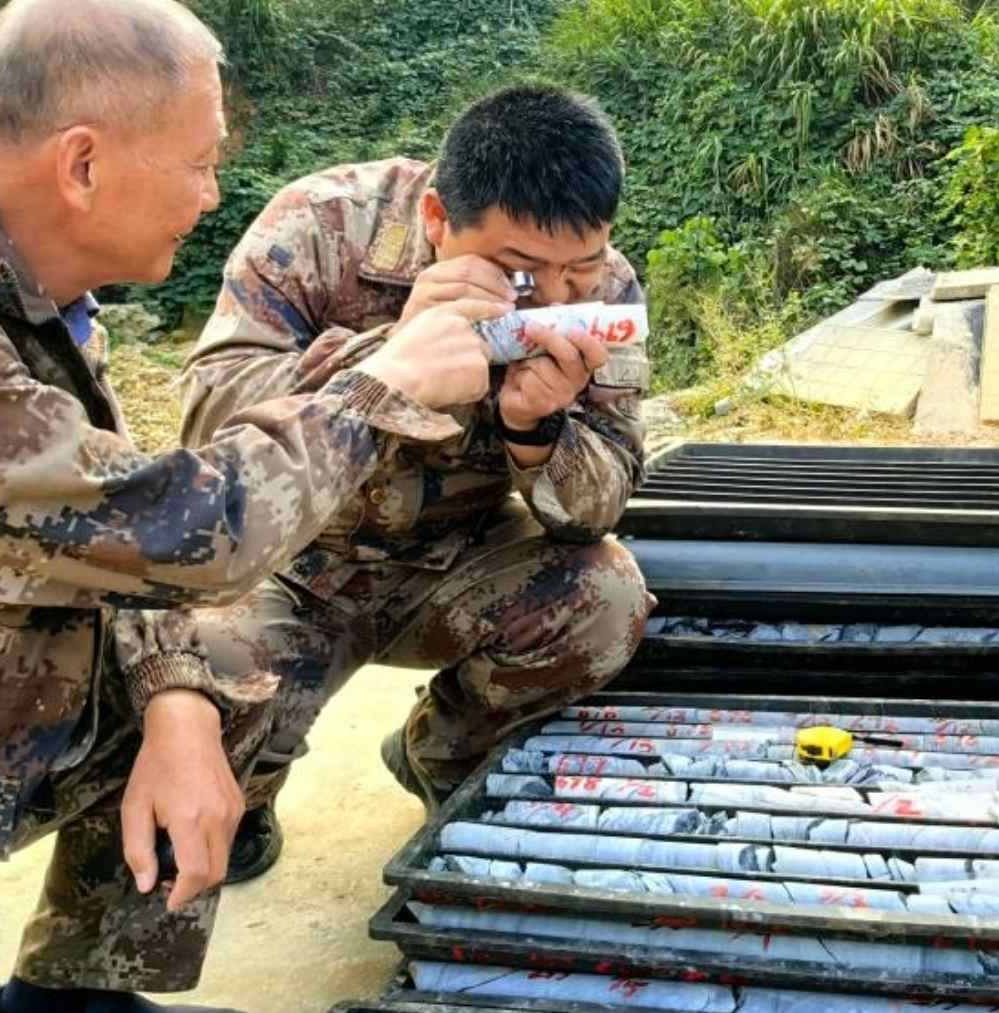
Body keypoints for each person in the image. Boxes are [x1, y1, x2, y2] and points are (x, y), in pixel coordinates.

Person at [0, 1, 530, 1010]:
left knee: (216, 664)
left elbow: (109, 550)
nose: (213, 192)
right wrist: (382, 384)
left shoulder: (5, 289)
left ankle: (77, 991)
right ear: (82, 164)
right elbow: (182, 530)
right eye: (198, 162)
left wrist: (179, 703)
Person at [178, 83, 655, 882]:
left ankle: (441, 751)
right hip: (294, 559)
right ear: (437, 220)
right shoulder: (320, 225)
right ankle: (248, 792)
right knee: (196, 666)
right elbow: (207, 430)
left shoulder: (604, 289)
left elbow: (599, 505)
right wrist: (388, 357)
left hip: (458, 558)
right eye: (520, 272)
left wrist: (538, 434)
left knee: (605, 597)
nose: (556, 295)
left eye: (581, 268)